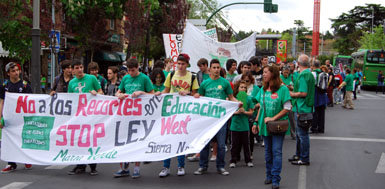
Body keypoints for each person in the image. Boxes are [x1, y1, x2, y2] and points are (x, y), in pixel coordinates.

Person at [193, 59, 240, 176]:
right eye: (214, 67)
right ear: (210, 69)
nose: (216, 70)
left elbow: (231, 97)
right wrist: (197, 96)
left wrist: (237, 102)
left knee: (221, 144)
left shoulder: (225, 83)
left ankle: (220, 167)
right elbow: (201, 98)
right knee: (205, 143)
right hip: (207, 119)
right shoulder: (204, 83)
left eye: (218, 67)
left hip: (221, 118)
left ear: (220, 69)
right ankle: (202, 166)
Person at [155, 54, 198, 177]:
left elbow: (195, 93)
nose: (180, 66)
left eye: (183, 64)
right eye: (178, 63)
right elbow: (166, 91)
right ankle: (166, 167)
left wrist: (188, 92)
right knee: (168, 138)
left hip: (184, 111)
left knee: (180, 139)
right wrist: (160, 93)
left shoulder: (192, 77)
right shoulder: (171, 75)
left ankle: (180, 166)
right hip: (170, 110)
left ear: (187, 64)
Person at [251, 65, 291, 189]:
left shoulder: (283, 89)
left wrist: (273, 118)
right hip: (265, 126)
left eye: (266, 72)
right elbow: (260, 109)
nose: (263, 74)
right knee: (268, 153)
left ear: (273, 74)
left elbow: (287, 108)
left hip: (278, 126)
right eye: (263, 72)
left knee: (277, 152)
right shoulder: (262, 89)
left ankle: (275, 179)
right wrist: (256, 122)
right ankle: (268, 175)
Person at [114, 58, 154, 178]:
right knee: (121, 140)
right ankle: (123, 168)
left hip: (139, 115)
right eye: (129, 70)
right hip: (125, 114)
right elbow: (118, 92)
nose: (131, 73)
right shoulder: (125, 78)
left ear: (138, 68)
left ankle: (136, 168)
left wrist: (141, 92)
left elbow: (152, 94)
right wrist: (119, 94)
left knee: (138, 140)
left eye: (133, 70)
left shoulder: (144, 78)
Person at [66, 60, 103, 176]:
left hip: (91, 116)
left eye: (81, 67)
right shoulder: (72, 83)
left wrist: (96, 94)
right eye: (77, 67)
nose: (80, 70)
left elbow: (101, 92)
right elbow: (69, 99)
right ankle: (80, 165)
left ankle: (93, 166)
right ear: (73, 70)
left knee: (91, 140)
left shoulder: (91, 79)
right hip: (78, 116)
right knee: (79, 141)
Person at [0, 62, 33, 173]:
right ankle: (11, 163)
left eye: (17, 70)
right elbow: (1, 102)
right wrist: (0, 117)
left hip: (22, 118)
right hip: (9, 118)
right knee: (9, 139)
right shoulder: (5, 86)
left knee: (23, 138)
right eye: (13, 71)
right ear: (8, 73)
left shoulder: (24, 85)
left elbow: (31, 101)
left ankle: (26, 158)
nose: (16, 73)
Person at [289, 54, 315, 166]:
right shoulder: (309, 74)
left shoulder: (303, 75)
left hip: (302, 108)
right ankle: (299, 155)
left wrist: (292, 94)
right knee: (301, 134)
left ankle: (304, 158)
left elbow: (303, 93)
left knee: (302, 135)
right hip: (305, 107)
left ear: (298, 64)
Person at [311, 61, 328, 134]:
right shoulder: (325, 74)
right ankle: (321, 128)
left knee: (315, 111)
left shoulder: (312, 74)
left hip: (316, 93)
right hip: (323, 93)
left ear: (313, 66)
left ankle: (314, 127)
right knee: (322, 112)